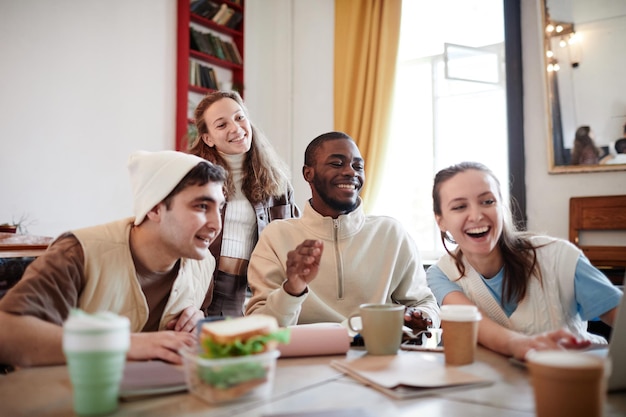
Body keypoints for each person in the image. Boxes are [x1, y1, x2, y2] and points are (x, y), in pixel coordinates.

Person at [0, 150, 227, 367]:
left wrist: (197, 323)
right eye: (202, 206)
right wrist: (123, 344)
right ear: (155, 209)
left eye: (219, 209)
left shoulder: (204, 264)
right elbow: (7, 334)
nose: (217, 225)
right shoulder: (78, 253)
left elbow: (193, 327)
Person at [245, 131, 440, 335]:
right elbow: (257, 326)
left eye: (358, 166)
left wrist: (422, 317)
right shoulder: (276, 236)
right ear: (308, 173)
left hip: (376, 357)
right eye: (337, 164)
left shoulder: (391, 233)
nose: (350, 172)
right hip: (304, 361)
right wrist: (292, 289)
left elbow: (426, 303)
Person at [426, 161, 622, 361]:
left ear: (501, 206)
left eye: (487, 202)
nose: (476, 216)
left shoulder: (560, 258)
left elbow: (619, 317)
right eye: (459, 207)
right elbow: (474, 323)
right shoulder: (441, 274)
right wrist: (525, 346)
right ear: (440, 220)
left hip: (578, 380)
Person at [188, 91, 300, 318]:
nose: (236, 128)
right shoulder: (192, 180)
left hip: (252, 296)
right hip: (196, 295)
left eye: (239, 117)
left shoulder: (277, 184)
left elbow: (291, 240)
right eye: (221, 125)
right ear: (208, 138)